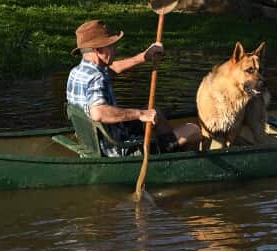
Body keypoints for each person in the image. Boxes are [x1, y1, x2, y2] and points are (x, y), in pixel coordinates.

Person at [65, 19, 201, 156]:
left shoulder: (77, 72)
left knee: (155, 113)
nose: (115, 50)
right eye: (111, 46)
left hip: (100, 142)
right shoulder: (97, 77)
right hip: (118, 149)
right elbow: (98, 113)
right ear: (98, 50)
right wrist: (140, 114)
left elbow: (114, 68)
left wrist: (144, 57)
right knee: (193, 130)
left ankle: (170, 148)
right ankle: (173, 160)